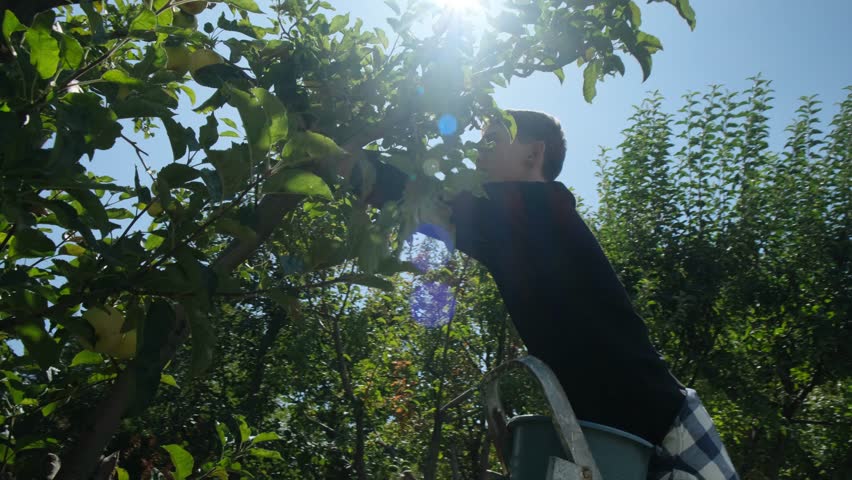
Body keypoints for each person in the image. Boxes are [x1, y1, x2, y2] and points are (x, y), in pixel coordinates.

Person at [342, 110, 738, 480]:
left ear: (533, 154)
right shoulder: (515, 225)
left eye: (492, 139)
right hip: (616, 433)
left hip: (665, 425)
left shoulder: (541, 210)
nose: (478, 151)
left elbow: (433, 198)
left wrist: (347, 164)